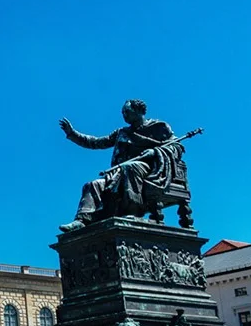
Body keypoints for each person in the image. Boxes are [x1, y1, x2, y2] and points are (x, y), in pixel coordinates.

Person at [58, 99, 179, 232]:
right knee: (93, 185)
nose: (124, 115)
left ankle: (133, 211)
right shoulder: (122, 132)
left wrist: (154, 152)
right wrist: (72, 134)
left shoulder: (158, 127)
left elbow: (176, 146)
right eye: (123, 113)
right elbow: (96, 142)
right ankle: (82, 220)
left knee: (130, 167)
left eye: (127, 112)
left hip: (150, 169)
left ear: (139, 111)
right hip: (120, 173)